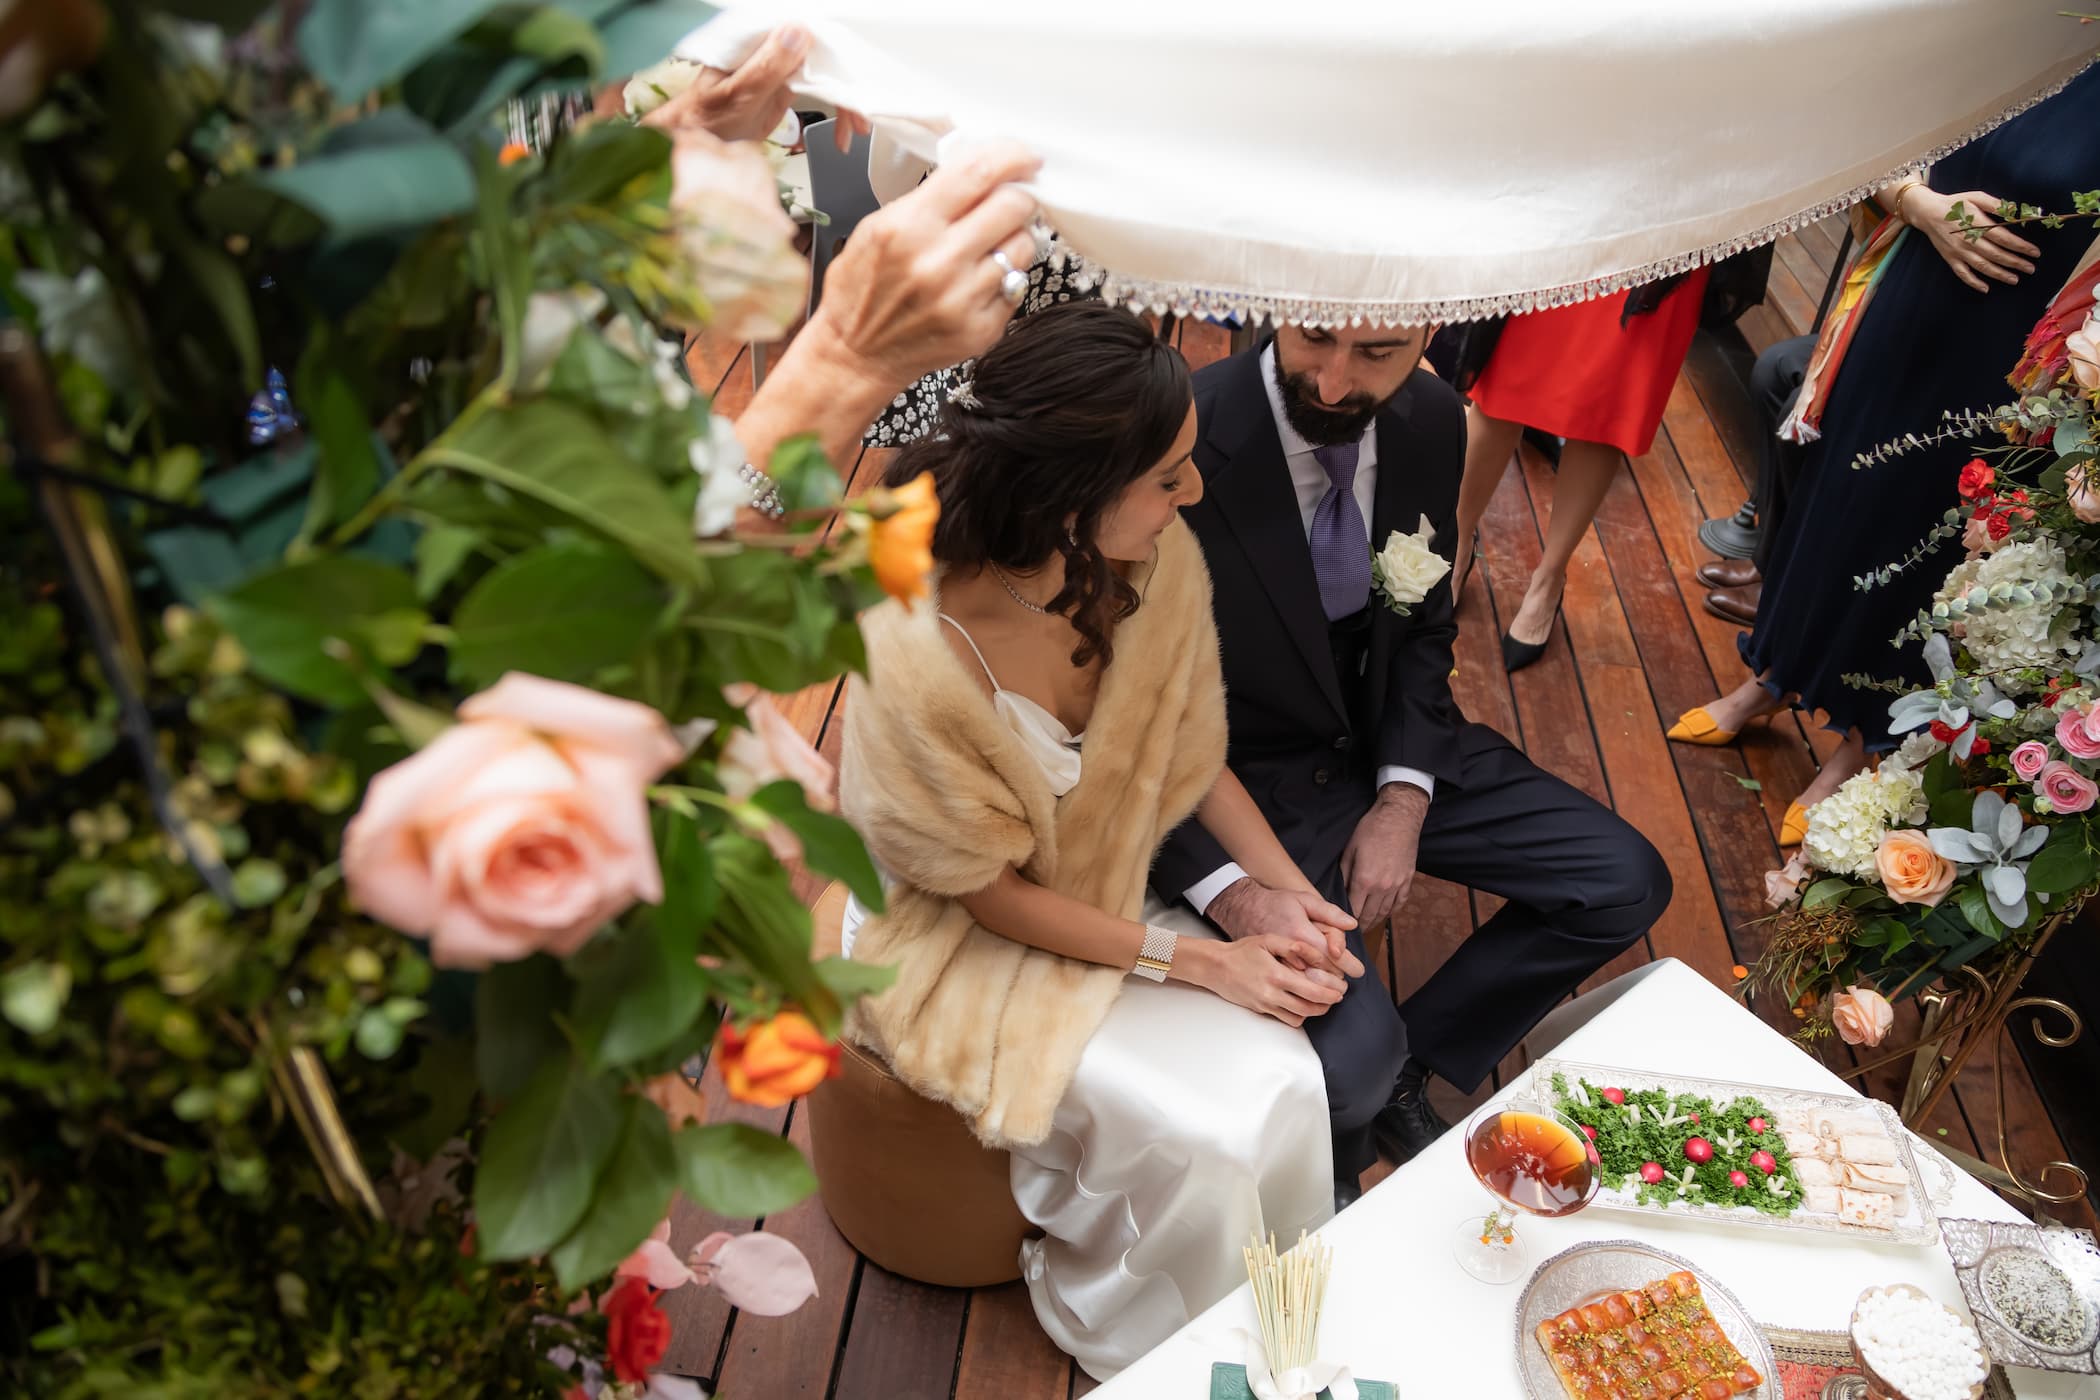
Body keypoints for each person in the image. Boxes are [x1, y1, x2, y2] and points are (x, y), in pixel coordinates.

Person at [836, 303, 1359, 1380]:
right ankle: (1146, 1342)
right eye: (1168, 478)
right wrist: (1206, 962)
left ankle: (1274, 1327)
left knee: (1284, 1079)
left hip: (1101, 869)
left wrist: (1293, 895)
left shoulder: (1145, 559)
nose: (1195, 492)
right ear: (1071, 495)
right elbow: (986, 896)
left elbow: (1187, 748)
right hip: (955, 929)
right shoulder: (916, 645)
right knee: (1208, 1139)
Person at [1151, 322, 1673, 1208]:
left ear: (1427, 332)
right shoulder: (1182, 434)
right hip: (1243, 783)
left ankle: (1413, 1059)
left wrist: (1402, 797)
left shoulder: (1430, 417)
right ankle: (1352, 1130)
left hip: (1389, 737)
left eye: (1377, 353)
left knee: (1622, 882)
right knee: (1345, 1073)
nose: (1332, 383)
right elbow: (1127, 715)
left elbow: (1425, 629)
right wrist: (1234, 894)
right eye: (1317, 340)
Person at [1668, 66, 2100, 842]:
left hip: (2003, 352)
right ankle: (1771, 676)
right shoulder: (2005, 30)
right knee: (1832, 498)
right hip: (1905, 294)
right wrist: (1919, 203)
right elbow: (1871, 130)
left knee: (1917, 540)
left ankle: (1861, 742)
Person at [1449, 269, 1712, 670]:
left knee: (1606, 407)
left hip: (1662, 244)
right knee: (1505, 379)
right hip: (1569, 233)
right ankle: (1455, 542)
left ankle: (1549, 579)